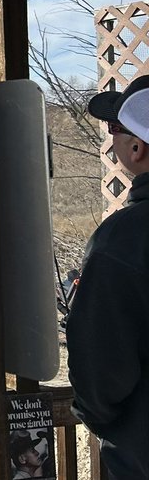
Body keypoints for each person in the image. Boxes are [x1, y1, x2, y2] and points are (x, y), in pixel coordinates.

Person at [66, 73, 149, 479]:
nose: (111, 138)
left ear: (137, 148)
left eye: (116, 127)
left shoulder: (123, 241)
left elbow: (101, 382)